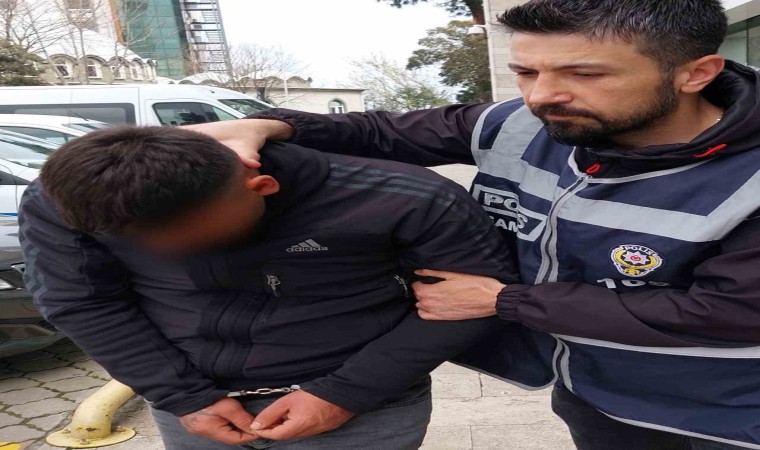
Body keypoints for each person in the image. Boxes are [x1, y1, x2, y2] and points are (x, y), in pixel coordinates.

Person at [186, 0, 760, 448]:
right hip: (598, 396)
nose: (542, 96)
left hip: (732, 411)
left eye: (585, 73)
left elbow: (730, 313)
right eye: (526, 71)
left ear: (696, 73)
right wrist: (269, 127)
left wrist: (506, 301)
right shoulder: (519, 123)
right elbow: (381, 132)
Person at [19, 126, 519, 449]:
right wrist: (182, 396)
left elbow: (475, 301)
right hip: (195, 408)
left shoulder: (409, 198)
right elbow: (82, 300)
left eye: (193, 240)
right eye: (139, 246)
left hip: (366, 409)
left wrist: (345, 394)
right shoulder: (68, 198)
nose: (168, 257)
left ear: (260, 187)